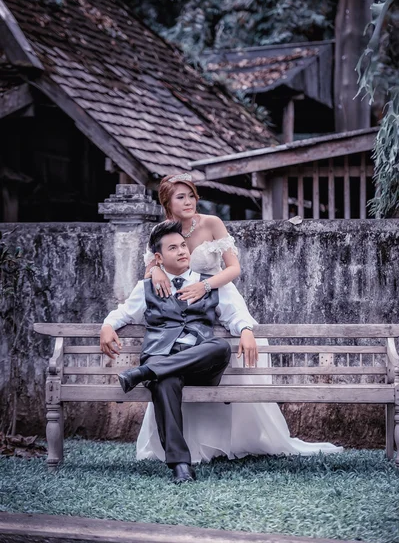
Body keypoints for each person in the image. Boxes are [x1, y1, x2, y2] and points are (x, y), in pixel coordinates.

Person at [136, 173, 343, 462]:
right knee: (178, 357)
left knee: (241, 352)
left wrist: (205, 285)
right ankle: (191, 444)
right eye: (180, 197)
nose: (188, 201)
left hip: (219, 297)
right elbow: (151, 274)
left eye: (192, 195)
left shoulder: (211, 223)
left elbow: (234, 268)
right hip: (185, 314)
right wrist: (155, 270)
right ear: (167, 202)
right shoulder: (161, 231)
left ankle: (236, 437)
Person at [100, 221, 258, 483]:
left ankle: (145, 372)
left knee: (219, 347)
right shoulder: (147, 288)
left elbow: (237, 314)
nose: (183, 251)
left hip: (200, 367)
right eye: (173, 248)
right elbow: (124, 313)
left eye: (183, 245)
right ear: (159, 258)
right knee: (165, 382)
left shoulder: (211, 284)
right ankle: (180, 465)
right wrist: (107, 325)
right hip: (163, 358)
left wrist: (246, 331)